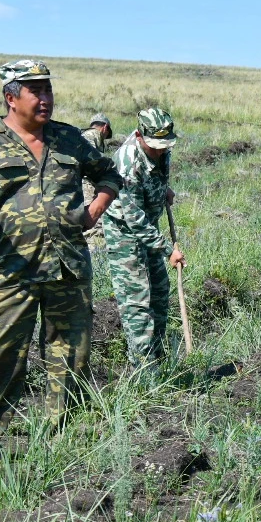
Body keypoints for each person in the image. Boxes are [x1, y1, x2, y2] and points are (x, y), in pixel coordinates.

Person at [0, 60, 122, 448]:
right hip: (12, 269)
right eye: (36, 92)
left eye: (48, 91)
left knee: (70, 355)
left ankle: (62, 438)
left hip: (68, 265)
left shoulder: (68, 139)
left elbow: (109, 174)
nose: (46, 99)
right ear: (11, 98)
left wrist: (95, 209)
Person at [102, 107, 185, 369]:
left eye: (165, 145)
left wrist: (163, 189)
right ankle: (142, 370)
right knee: (137, 299)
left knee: (160, 291)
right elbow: (134, 220)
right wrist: (167, 249)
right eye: (155, 146)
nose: (161, 150)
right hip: (125, 232)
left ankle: (157, 358)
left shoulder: (161, 147)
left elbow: (156, 173)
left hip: (148, 224)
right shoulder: (128, 163)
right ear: (140, 135)